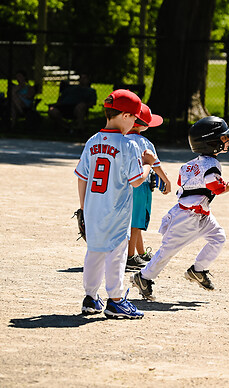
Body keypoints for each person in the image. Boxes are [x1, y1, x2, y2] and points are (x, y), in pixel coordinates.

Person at [130, 116, 229, 301]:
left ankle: (198, 270)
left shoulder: (190, 164)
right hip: (187, 217)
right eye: (224, 138)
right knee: (168, 251)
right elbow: (218, 188)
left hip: (199, 214)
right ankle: (143, 277)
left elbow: (181, 182)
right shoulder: (211, 166)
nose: (227, 141)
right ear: (211, 142)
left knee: (218, 237)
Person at [74, 89, 157, 319]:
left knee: (94, 252)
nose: (135, 122)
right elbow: (137, 179)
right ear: (125, 116)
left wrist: (83, 209)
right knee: (116, 254)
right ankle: (116, 300)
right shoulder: (128, 144)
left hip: (93, 210)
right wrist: (148, 163)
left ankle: (90, 297)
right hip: (117, 211)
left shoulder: (92, 141)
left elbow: (82, 177)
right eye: (134, 117)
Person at [125, 103, 171, 271]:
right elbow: (156, 165)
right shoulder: (145, 142)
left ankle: (141, 253)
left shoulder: (123, 139)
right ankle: (130, 257)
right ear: (142, 125)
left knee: (133, 221)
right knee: (137, 222)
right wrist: (166, 181)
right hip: (141, 186)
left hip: (124, 186)